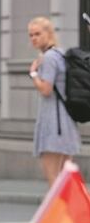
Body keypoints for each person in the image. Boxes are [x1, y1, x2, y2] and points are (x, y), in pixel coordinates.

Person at [28, 17, 80, 184]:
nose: (33, 38)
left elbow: (46, 89)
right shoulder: (60, 53)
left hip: (54, 124)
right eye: (31, 35)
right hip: (66, 121)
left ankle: (64, 211)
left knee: (54, 180)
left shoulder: (49, 58)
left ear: (48, 34)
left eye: (37, 34)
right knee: (66, 182)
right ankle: (71, 211)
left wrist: (34, 74)